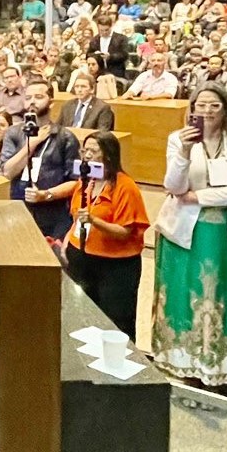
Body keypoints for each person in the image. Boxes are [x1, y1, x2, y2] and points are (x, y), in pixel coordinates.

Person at [149, 86, 227, 386]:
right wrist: (184, 153)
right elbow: (173, 186)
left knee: (223, 296)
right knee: (185, 297)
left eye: (214, 106)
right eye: (201, 105)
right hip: (186, 232)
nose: (207, 112)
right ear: (192, 109)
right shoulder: (178, 139)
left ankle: (223, 367)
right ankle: (182, 361)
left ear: (225, 110)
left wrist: (199, 196)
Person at [64, 131, 150, 337]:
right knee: (82, 317)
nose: (87, 156)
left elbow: (125, 233)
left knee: (115, 322)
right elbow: (77, 218)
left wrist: (95, 221)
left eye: (94, 151)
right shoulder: (86, 182)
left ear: (108, 155)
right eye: (85, 150)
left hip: (115, 266)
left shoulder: (125, 187)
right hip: (83, 259)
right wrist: (69, 240)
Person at [0, 81, 79, 241]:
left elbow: (75, 182)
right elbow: (8, 171)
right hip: (19, 209)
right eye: (28, 97)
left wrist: (46, 195)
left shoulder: (65, 137)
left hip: (53, 214)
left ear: (51, 102)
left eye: (39, 97)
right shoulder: (13, 133)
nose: (32, 101)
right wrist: (33, 142)